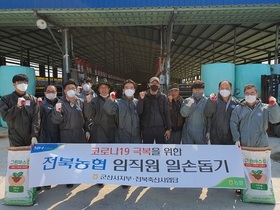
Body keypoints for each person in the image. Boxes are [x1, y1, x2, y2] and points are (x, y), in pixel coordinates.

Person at [230, 84, 280, 195]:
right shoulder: (239, 109)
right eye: (247, 94)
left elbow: (275, 119)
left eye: (252, 93)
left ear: (257, 94)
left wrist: (274, 105)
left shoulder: (265, 107)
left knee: (261, 167)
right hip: (244, 143)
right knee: (243, 166)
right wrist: (236, 139)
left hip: (261, 143)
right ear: (244, 94)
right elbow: (233, 124)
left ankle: (263, 188)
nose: (249, 95)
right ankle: (241, 187)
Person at [52, 80, 89, 188]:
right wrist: (58, 112)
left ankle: (79, 176)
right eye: (68, 88)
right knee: (68, 157)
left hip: (79, 132)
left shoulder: (81, 102)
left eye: (73, 88)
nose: (71, 91)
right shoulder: (60, 103)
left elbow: (87, 117)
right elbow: (56, 121)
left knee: (79, 156)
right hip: (66, 133)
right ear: (64, 90)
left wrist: (87, 130)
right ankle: (68, 178)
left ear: (76, 89)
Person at [0, 74, 40, 147]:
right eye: (20, 83)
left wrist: (34, 135)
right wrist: (17, 107)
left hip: (29, 136)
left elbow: (36, 118)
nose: (23, 85)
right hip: (15, 136)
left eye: (25, 83)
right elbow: (5, 117)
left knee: (30, 157)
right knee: (18, 157)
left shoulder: (33, 100)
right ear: (14, 84)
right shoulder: (6, 99)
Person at [104, 79, 141, 143]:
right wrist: (111, 100)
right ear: (123, 90)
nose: (129, 89)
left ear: (134, 90)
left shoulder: (138, 103)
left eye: (131, 88)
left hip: (136, 138)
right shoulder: (118, 102)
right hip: (122, 138)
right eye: (126, 87)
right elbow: (109, 110)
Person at [137, 76, 171, 144]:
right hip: (147, 128)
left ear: (159, 85)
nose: (154, 85)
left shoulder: (163, 97)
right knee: (147, 149)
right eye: (153, 83)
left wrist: (168, 129)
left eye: (156, 83)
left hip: (160, 128)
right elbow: (139, 111)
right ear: (149, 84)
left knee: (161, 149)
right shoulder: (144, 96)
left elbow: (167, 113)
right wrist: (141, 100)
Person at [204, 80, 239, 145]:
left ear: (231, 89)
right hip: (216, 137)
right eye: (222, 88)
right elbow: (207, 114)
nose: (224, 90)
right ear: (218, 89)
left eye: (227, 88)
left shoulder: (236, 102)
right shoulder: (214, 100)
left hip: (231, 138)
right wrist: (211, 102)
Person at [180, 80, 210, 144]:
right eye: (195, 89)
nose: (197, 91)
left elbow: (210, 118)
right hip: (188, 131)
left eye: (200, 89)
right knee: (188, 151)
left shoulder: (207, 101)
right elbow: (183, 114)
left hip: (202, 131)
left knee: (201, 152)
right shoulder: (187, 100)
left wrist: (208, 131)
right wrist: (188, 105)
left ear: (203, 90)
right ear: (192, 90)